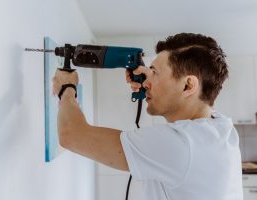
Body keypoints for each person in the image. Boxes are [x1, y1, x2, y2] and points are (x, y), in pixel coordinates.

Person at [52, 33, 243, 200]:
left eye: (155, 73)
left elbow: (72, 135)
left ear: (188, 86)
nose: (146, 82)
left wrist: (67, 87)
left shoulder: (182, 144)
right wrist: (154, 79)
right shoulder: (219, 129)